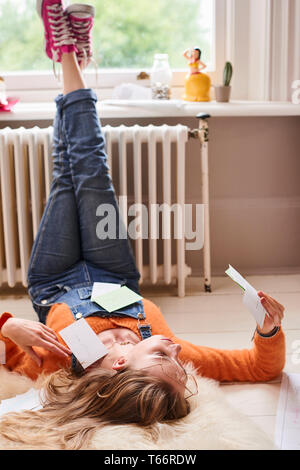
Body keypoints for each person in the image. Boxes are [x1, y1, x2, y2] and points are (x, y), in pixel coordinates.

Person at [0, 0, 286, 449]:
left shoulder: (58, 366)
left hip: (52, 279)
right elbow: (258, 368)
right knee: (90, 169)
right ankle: (69, 55)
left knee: (67, 173)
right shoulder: (172, 350)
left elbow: (6, 346)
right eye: (175, 356)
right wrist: (268, 330)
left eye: (161, 354)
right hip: (113, 269)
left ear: (119, 366)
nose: (175, 350)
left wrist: (7, 326)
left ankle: (68, 54)